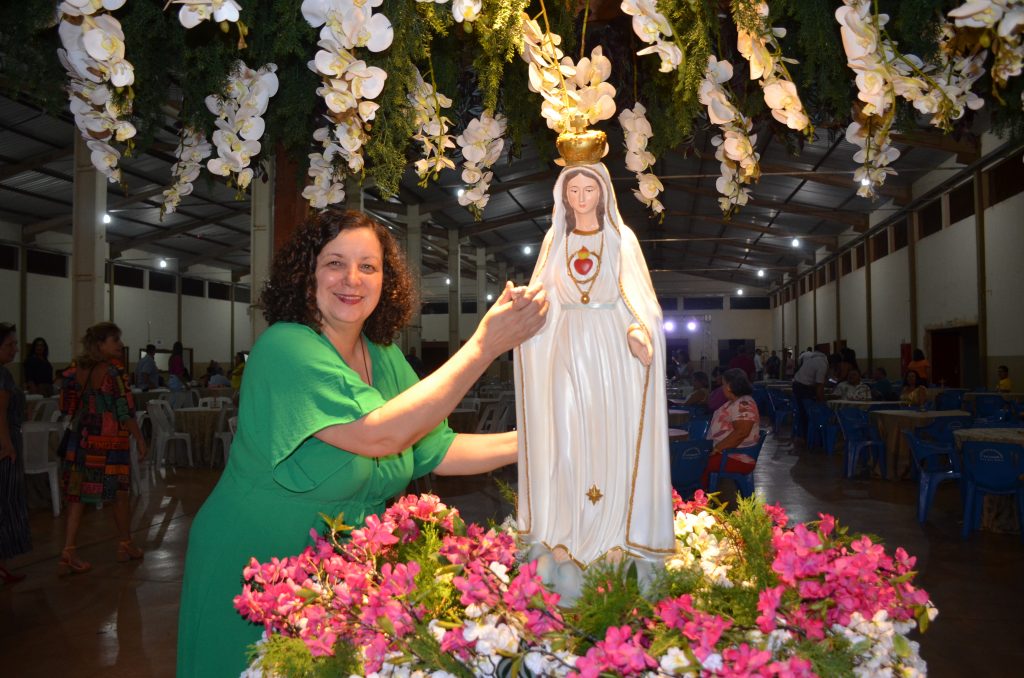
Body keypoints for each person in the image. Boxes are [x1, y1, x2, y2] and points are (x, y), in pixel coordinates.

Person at [177, 210, 547, 677]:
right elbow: (381, 434)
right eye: (335, 263)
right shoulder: (284, 347)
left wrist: (539, 439)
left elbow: (437, 449)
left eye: (368, 266)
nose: (351, 279)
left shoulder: (385, 357)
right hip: (253, 565)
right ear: (306, 274)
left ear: (384, 280)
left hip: (335, 572)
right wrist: (483, 347)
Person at [515, 162, 673, 604]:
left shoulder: (621, 241)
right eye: (574, 190)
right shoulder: (555, 240)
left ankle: (612, 537)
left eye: (589, 189)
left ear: (603, 194)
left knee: (610, 440)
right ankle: (566, 530)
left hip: (610, 353)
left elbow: (640, 303)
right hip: (566, 347)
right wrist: (522, 308)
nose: (582, 197)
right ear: (562, 196)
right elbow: (542, 295)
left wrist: (639, 332)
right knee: (568, 440)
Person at [58, 322, 148, 576]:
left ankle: (68, 551)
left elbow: (65, 405)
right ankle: (125, 544)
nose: (120, 345)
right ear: (100, 344)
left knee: (77, 495)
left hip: (81, 439)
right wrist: (140, 438)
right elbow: (125, 409)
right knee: (119, 492)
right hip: (109, 441)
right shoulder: (115, 372)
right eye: (114, 340)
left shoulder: (77, 370)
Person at [0, 323, 31, 584]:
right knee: (5, 502)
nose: (15, 349)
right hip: (5, 444)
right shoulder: (2, 376)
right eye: (10, 344)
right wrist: (7, 443)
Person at [701, 368, 761, 487]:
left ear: (729, 386)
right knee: (691, 458)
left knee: (695, 463)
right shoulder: (736, 402)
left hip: (737, 457)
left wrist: (717, 448)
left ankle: (697, 497)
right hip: (728, 454)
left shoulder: (744, 404)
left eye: (723, 384)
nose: (722, 388)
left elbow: (742, 432)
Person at [791, 348, 830, 443]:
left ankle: (801, 436)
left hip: (796, 384)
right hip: (804, 388)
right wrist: (822, 401)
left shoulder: (811, 357)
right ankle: (809, 437)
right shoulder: (823, 365)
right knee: (809, 413)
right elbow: (819, 387)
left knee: (801, 412)